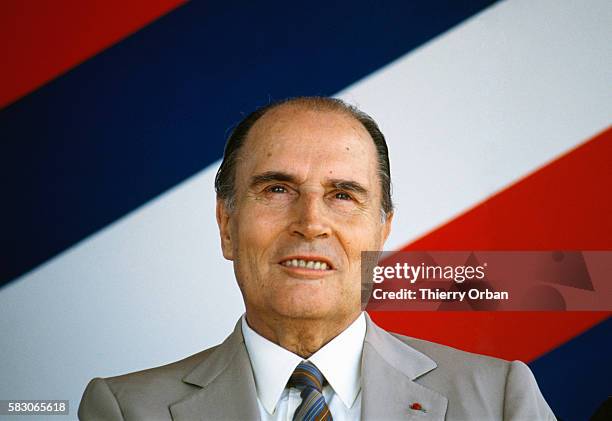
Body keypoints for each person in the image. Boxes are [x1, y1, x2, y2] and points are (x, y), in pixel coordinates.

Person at [79, 97, 556, 420]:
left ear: (381, 232)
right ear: (227, 225)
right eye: (277, 189)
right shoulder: (126, 410)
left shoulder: (499, 401)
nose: (310, 222)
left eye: (343, 195)